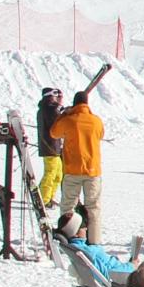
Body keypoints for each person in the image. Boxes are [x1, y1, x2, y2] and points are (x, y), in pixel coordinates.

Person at [51, 87, 104, 242]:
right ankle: (94, 241)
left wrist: (64, 115)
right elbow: (101, 134)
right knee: (93, 208)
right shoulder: (96, 120)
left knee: (68, 206)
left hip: (72, 170)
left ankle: (67, 238)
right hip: (93, 170)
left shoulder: (68, 120)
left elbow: (54, 132)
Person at [32, 86, 65, 211]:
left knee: (58, 174)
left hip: (53, 147)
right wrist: (60, 105)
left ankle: (48, 197)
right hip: (50, 147)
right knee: (50, 174)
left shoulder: (47, 108)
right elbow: (59, 118)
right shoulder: (49, 109)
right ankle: (43, 200)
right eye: (55, 95)